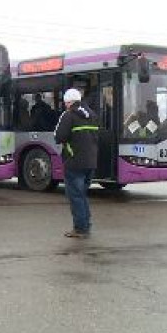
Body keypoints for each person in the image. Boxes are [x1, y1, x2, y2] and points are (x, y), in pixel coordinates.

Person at [54, 88, 99, 238]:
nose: (65, 105)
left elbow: (59, 137)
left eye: (65, 103)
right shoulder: (92, 114)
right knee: (82, 195)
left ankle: (80, 229)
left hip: (74, 162)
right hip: (91, 162)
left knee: (76, 196)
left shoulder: (68, 115)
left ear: (68, 102)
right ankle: (86, 225)